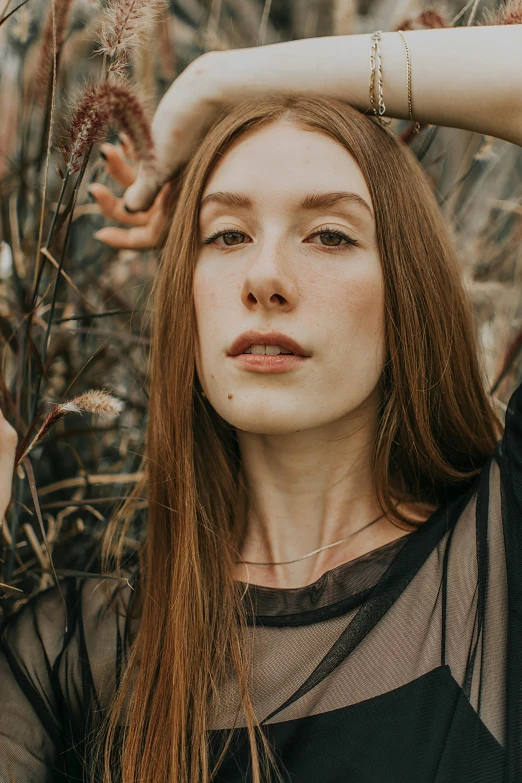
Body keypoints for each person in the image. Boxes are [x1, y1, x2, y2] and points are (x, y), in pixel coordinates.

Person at [1, 22, 522, 783]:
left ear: (408, 290)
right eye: (227, 234)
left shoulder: (500, 553)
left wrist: (219, 80)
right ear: (186, 293)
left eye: (330, 235)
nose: (264, 276)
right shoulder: (78, 656)